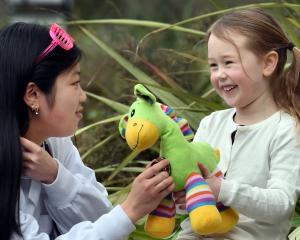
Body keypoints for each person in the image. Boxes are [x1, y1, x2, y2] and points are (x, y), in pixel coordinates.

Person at [0, 22, 175, 240]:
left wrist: (54, 175)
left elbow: (100, 218)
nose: (83, 96)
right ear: (33, 94)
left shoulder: (54, 144)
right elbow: (111, 224)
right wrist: (130, 210)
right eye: (75, 83)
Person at [176, 8, 300, 240]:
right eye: (214, 65)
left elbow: (281, 204)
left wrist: (221, 190)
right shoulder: (211, 124)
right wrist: (181, 192)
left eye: (229, 62)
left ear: (268, 63)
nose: (219, 74)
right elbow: (188, 206)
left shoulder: (286, 130)